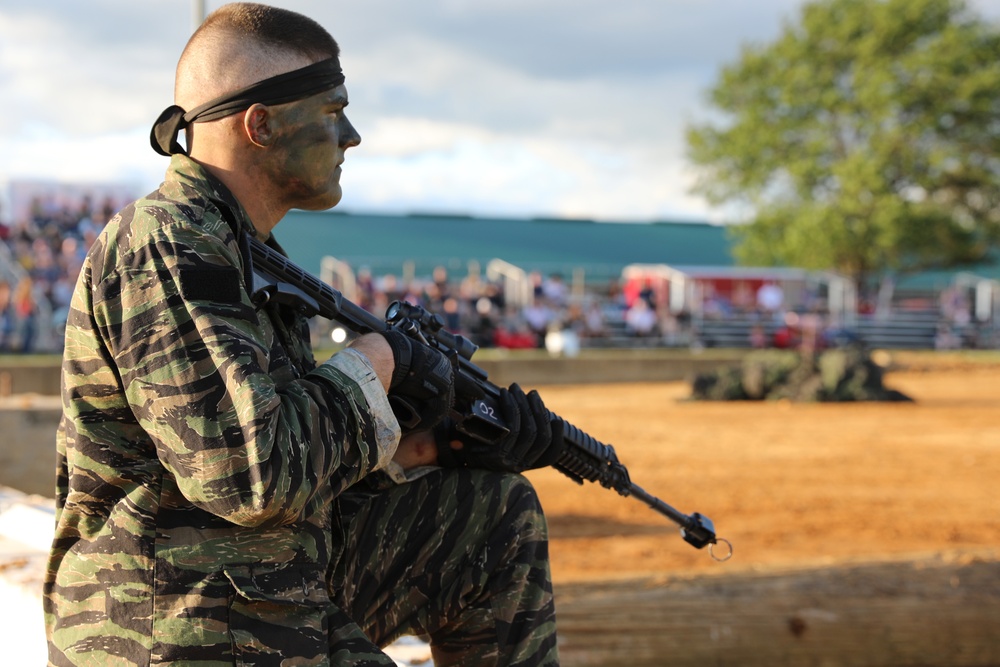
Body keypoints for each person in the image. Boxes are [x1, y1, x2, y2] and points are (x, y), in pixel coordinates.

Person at [44, 4, 564, 666]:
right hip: (175, 622)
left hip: (256, 590)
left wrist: (435, 447)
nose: (350, 135)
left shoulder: (242, 251)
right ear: (259, 124)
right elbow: (249, 477)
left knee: (491, 513)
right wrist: (377, 361)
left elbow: (297, 464)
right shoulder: (167, 242)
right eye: (330, 110)